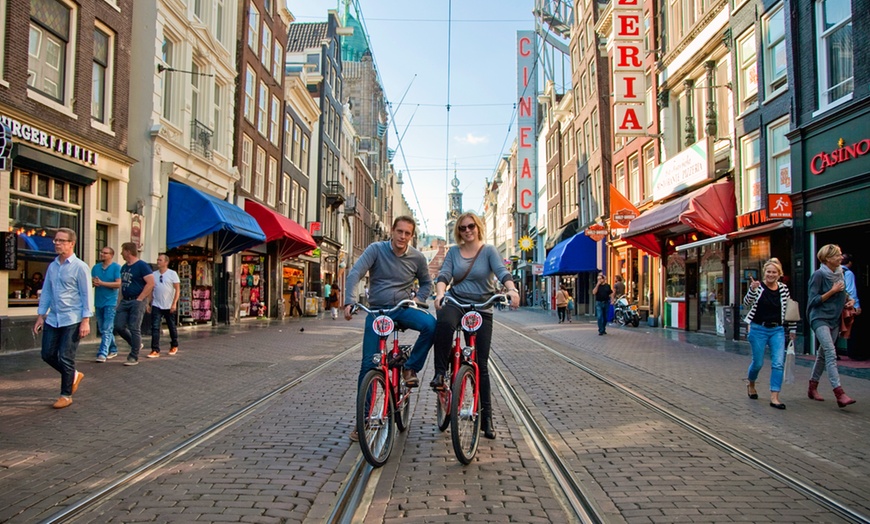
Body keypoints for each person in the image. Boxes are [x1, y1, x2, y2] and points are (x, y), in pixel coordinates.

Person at [343, 215, 435, 441]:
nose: (402, 237)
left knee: (431, 325)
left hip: (403, 309)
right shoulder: (376, 249)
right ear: (392, 231)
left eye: (407, 233)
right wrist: (349, 300)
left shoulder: (418, 258)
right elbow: (355, 273)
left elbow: (426, 283)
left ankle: (410, 367)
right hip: (378, 313)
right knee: (368, 366)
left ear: (411, 236)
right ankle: (362, 422)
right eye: (399, 231)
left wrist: (419, 299)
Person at [430, 212, 520, 439]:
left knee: (481, 362)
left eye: (471, 226)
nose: (467, 230)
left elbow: (501, 272)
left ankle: (486, 418)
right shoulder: (453, 252)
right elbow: (444, 275)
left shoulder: (488, 251)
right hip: (457, 302)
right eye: (462, 228)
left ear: (478, 227)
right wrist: (440, 294)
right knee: (443, 323)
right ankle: (440, 374)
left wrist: (512, 289)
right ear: (458, 232)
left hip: (482, 306)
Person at [33, 228, 91, 409]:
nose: (57, 243)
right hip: (54, 317)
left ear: (71, 243)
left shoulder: (80, 267)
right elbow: (47, 292)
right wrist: (41, 316)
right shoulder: (53, 266)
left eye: (61, 240)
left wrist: (86, 320)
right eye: (56, 240)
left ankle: (66, 395)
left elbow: (86, 294)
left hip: (72, 318)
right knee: (47, 354)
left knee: (66, 356)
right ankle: (73, 375)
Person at [742, 258, 796, 409]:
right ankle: (751, 384)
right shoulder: (758, 287)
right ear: (764, 272)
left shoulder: (783, 289)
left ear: (779, 274)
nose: (771, 275)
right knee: (758, 362)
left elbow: (789, 309)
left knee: (778, 363)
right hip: (758, 328)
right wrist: (752, 290)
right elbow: (746, 303)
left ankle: (775, 396)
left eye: (774, 272)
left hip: (777, 330)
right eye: (768, 272)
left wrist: (792, 329)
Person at [807, 244, 857, 407]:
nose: (841, 257)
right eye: (837, 255)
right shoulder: (819, 275)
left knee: (822, 354)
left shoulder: (840, 273)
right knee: (830, 351)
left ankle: (812, 387)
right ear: (828, 259)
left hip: (834, 319)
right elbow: (813, 300)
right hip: (819, 318)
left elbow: (843, 293)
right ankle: (839, 393)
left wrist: (849, 300)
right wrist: (832, 291)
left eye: (841, 254)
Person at [115, 242, 155, 366]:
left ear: (128, 251)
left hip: (137, 300)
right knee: (118, 326)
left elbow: (151, 283)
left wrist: (141, 299)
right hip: (125, 300)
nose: (121, 253)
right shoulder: (124, 267)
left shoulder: (142, 266)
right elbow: (122, 285)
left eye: (123, 251)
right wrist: (119, 300)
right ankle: (135, 343)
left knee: (134, 327)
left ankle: (134, 356)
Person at [147, 253, 180, 358]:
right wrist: (149, 302)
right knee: (155, 327)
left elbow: (177, 289)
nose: (158, 262)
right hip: (157, 304)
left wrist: (174, 303)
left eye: (160, 260)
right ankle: (155, 349)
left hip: (169, 304)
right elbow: (151, 288)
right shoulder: (154, 274)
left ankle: (174, 345)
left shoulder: (172, 274)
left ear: (166, 262)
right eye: (157, 260)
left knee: (171, 326)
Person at [92, 246, 121, 362]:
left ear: (111, 255)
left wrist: (102, 283)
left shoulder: (116, 268)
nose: (102, 254)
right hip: (98, 301)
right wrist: (94, 283)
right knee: (102, 327)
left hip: (111, 302)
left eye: (105, 253)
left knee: (107, 328)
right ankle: (113, 348)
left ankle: (102, 353)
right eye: (101, 252)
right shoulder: (95, 268)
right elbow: (94, 282)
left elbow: (118, 284)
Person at [841, 253, 861, 358]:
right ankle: (852, 352)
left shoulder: (834, 272)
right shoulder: (848, 273)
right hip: (847, 304)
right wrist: (856, 305)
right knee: (850, 326)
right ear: (850, 263)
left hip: (836, 304)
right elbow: (851, 290)